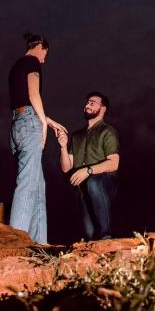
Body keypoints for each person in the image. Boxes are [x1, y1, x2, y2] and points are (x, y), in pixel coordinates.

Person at [7, 31, 65, 244]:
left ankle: (38, 243)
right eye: (45, 54)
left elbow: (24, 102)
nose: (44, 59)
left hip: (18, 123)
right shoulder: (32, 62)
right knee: (28, 183)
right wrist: (42, 125)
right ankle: (15, 241)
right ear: (40, 46)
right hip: (29, 123)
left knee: (38, 185)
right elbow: (33, 94)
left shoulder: (16, 66)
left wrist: (47, 120)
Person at [57, 90, 120, 240]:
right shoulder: (76, 136)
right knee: (90, 234)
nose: (87, 105)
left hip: (105, 182)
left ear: (102, 108)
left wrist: (89, 170)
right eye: (87, 102)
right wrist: (63, 147)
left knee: (93, 182)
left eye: (92, 103)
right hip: (83, 188)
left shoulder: (108, 131)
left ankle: (107, 235)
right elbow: (66, 167)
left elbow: (114, 163)